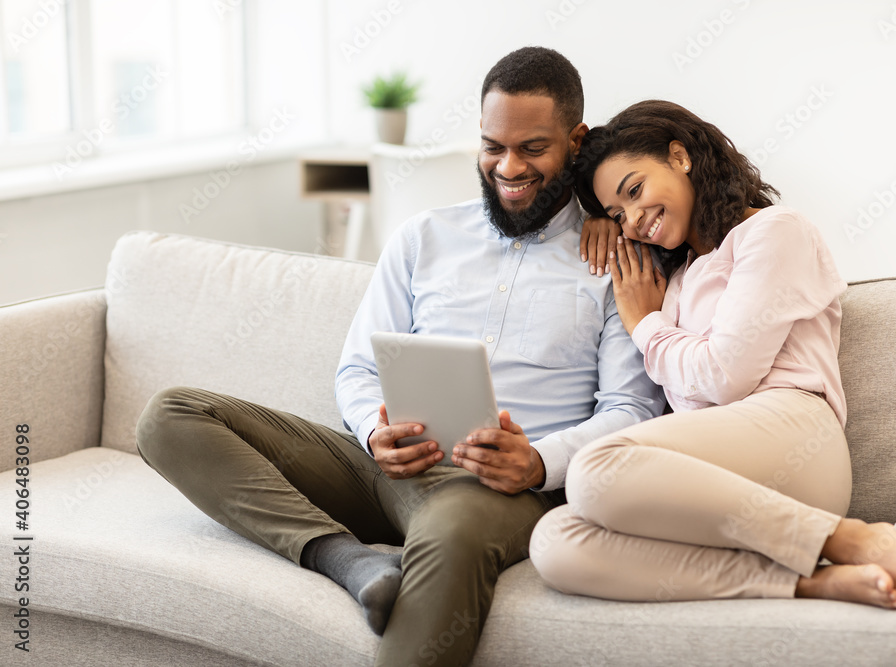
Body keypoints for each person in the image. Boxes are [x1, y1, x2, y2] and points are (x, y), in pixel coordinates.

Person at [135, 47, 663, 667]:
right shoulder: (424, 236)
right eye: (493, 146)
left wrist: (536, 463)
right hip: (385, 468)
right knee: (172, 415)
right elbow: (357, 368)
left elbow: (632, 410)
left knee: (453, 528)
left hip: (500, 490)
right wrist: (373, 429)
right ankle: (347, 557)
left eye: (533, 149)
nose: (508, 167)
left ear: (576, 142)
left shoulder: (619, 259)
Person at [529, 100, 896, 611]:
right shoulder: (671, 278)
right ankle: (806, 581)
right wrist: (600, 227)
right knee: (555, 540)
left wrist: (645, 325)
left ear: (680, 157)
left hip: (794, 438)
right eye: (617, 214)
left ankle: (841, 537)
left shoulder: (773, 231)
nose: (633, 220)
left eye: (635, 191)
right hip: (712, 481)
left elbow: (722, 377)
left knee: (595, 470)